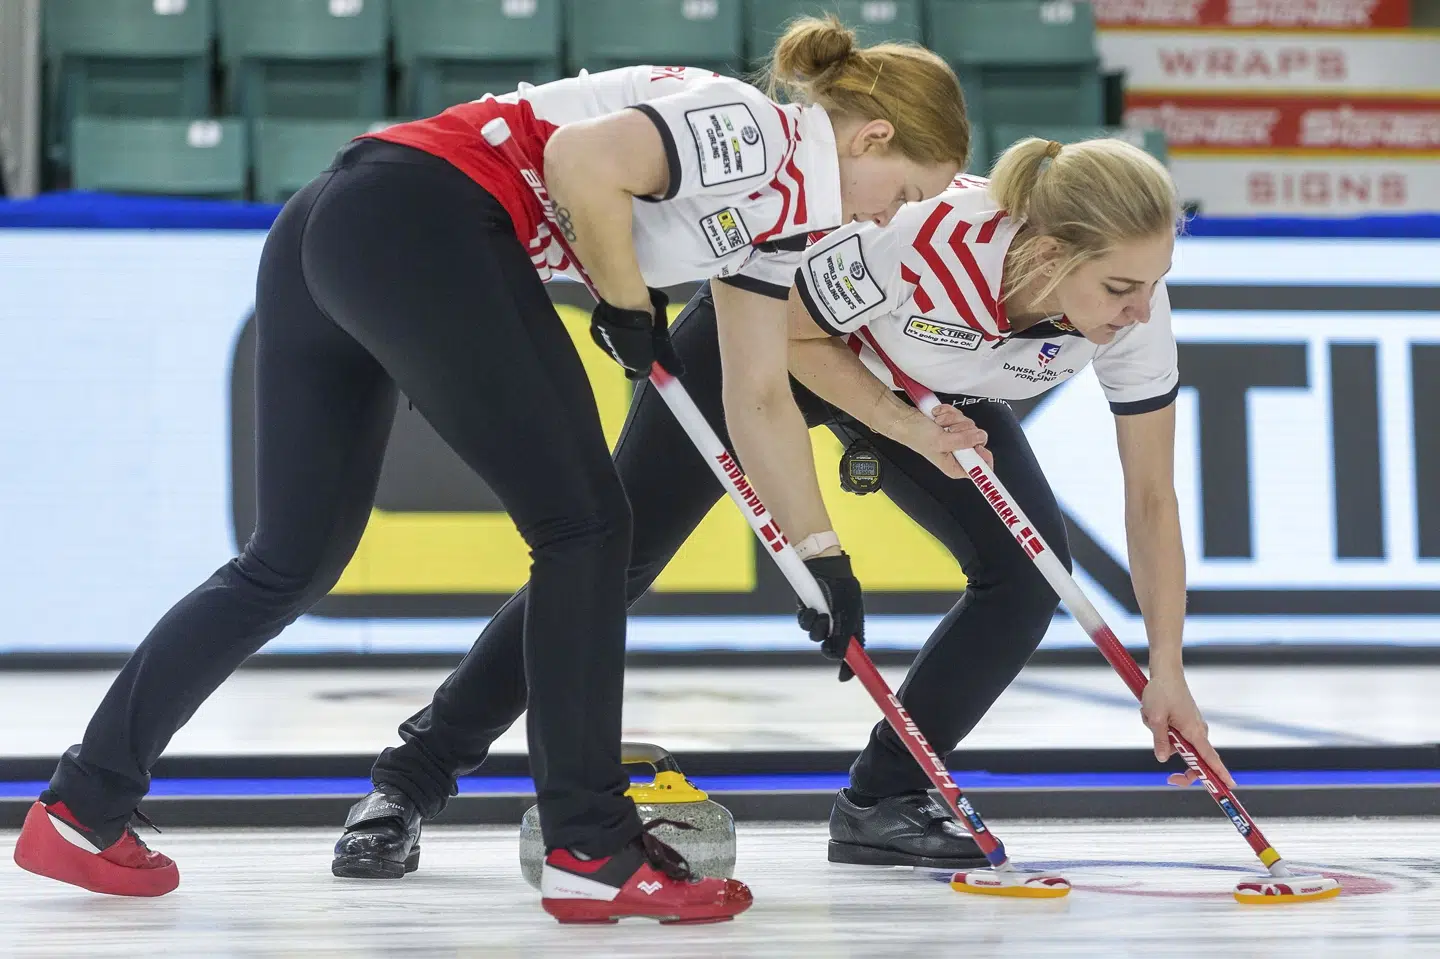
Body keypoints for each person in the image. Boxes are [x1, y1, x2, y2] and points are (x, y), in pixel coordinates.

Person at [12, 17, 971, 923]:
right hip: (423, 215)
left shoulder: (789, 216)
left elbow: (758, 392)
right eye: (912, 189)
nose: (903, 214)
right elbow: (579, 162)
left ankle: (82, 803)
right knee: (588, 528)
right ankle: (592, 847)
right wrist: (627, 302)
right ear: (871, 136)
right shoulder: (759, 132)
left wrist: (819, 553)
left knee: (289, 560)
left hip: (338, 224)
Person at [333, 135, 1233, 879]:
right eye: (1120, 288)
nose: (1139, 310)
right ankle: (409, 780)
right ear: (1046, 255)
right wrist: (880, 443)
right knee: (606, 559)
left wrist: (1167, 667)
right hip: (764, 340)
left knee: (1026, 581)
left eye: (1153, 283)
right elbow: (792, 338)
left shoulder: (1133, 318)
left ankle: (886, 796)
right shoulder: (923, 237)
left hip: (923, 382)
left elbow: (1151, 498)